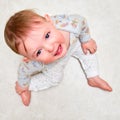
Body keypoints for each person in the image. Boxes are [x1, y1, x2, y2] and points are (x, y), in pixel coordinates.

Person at [4, 9, 112, 106]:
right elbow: (23, 71)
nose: (50, 48)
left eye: (47, 36)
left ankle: (93, 76)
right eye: (39, 52)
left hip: (73, 44)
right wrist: (23, 85)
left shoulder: (69, 26)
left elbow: (82, 21)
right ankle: (29, 86)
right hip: (53, 64)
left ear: (49, 21)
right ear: (28, 58)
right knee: (54, 79)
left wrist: (86, 40)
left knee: (88, 50)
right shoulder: (33, 63)